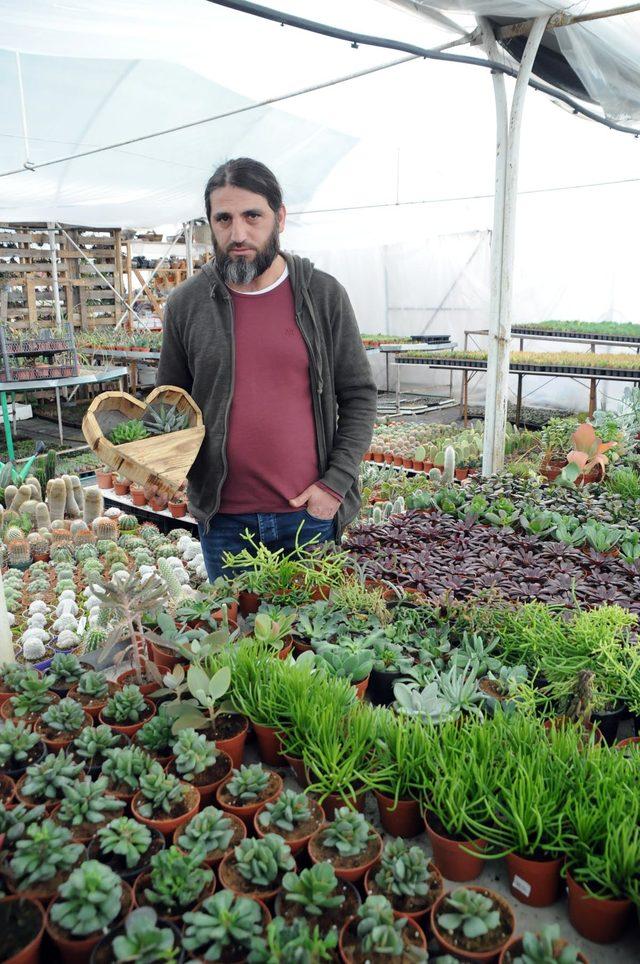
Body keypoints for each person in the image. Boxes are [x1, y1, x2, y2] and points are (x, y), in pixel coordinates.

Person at [156, 157, 377, 581]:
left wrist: (334, 486)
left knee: (317, 643)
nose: (237, 234)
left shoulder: (323, 295)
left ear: (279, 218)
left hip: (308, 519)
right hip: (224, 523)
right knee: (236, 641)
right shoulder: (187, 304)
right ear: (210, 224)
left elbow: (359, 395)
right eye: (223, 219)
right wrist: (152, 461)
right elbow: (171, 403)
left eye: (252, 216)